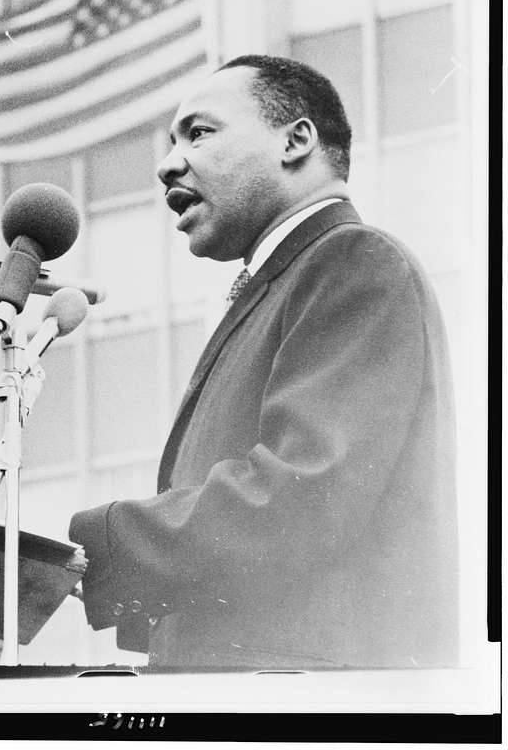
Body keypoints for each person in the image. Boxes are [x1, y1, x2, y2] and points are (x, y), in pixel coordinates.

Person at [69, 54, 458, 670]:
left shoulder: (354, 261)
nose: (167, 163)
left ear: (296, 140)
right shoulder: (294, 277)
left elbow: (304, 495)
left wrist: (97, 546)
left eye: (199, 132)